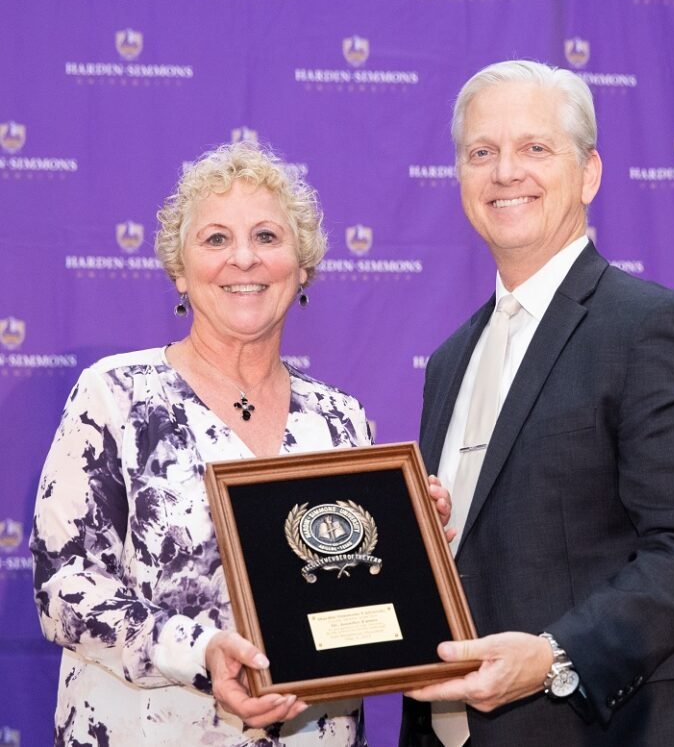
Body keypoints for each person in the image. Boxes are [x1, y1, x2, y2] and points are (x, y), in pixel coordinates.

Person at [29, 141, 450, 747]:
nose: (244, 259)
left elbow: (350, 584)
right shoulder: (115, 397)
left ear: (303, 265)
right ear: (179, 268)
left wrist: (413, 541)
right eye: (216, 239)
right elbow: (64, 586)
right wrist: (200, 652)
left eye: (268, 238)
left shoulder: (339, 420)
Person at [400, 60, 674, 747]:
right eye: (482, 152)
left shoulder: (655, 328)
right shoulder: (448, 361)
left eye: (534, 148)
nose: (505, 172)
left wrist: (555, 655)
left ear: (589, 173)